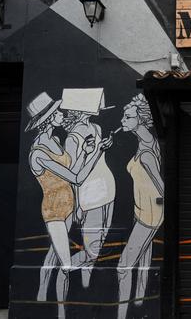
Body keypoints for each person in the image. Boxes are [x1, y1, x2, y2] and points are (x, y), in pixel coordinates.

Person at [26, 92, 111, 317]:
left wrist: (86, 151)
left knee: (53, 253)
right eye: (56, 113)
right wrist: (98, 152)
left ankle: (43, 292)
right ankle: (62, 313)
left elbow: (72, 168)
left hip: (70, 205)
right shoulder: (38, 154)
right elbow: (75, 177)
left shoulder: (54, 141)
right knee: (65, 265)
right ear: (47, 120)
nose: (61, 115)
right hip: (54, 212)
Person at [117, 94, 163, 319]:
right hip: (142, 210)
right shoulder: (147, 142)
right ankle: (138, 305)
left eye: (128, 117)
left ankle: (121, 314)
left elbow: (162, 187)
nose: (123, 120)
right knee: (143, 263)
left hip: (149, 215)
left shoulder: (146, 154)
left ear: (141, 119)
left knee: (123, 267)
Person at [62, 101, 117, 288]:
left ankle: (87, 286)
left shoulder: (96, 127)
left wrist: (104, 147)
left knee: (98, 246)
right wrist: (76, 204)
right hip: (90, 194)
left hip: (108, 187)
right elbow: (73, 176)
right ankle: (64, 268)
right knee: (92, 250)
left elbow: (99, 160)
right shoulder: (72, 138)